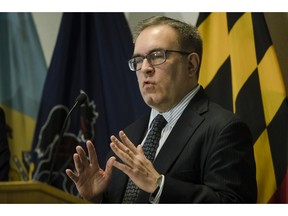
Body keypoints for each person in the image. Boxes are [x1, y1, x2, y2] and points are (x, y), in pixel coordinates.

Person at [66, 15, 257, 203]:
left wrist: (160, 186)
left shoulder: (224, 130)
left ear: (191, 65)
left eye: (157, 56)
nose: (145, 69)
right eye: (138, 60)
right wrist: (96, 200)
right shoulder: (128, 137)